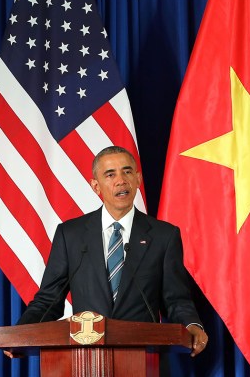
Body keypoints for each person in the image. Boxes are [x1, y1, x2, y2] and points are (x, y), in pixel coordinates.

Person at [13, 145, 209, 355]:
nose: (121, 180)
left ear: (138, 179)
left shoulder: (164, 236)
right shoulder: (71, 235)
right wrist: (21, 334)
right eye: (110, 174)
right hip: (85, 360)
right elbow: (49, 299)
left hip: (144, 359)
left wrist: (192, 325)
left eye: (127, 172)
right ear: (96, 186)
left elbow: (176, 298)